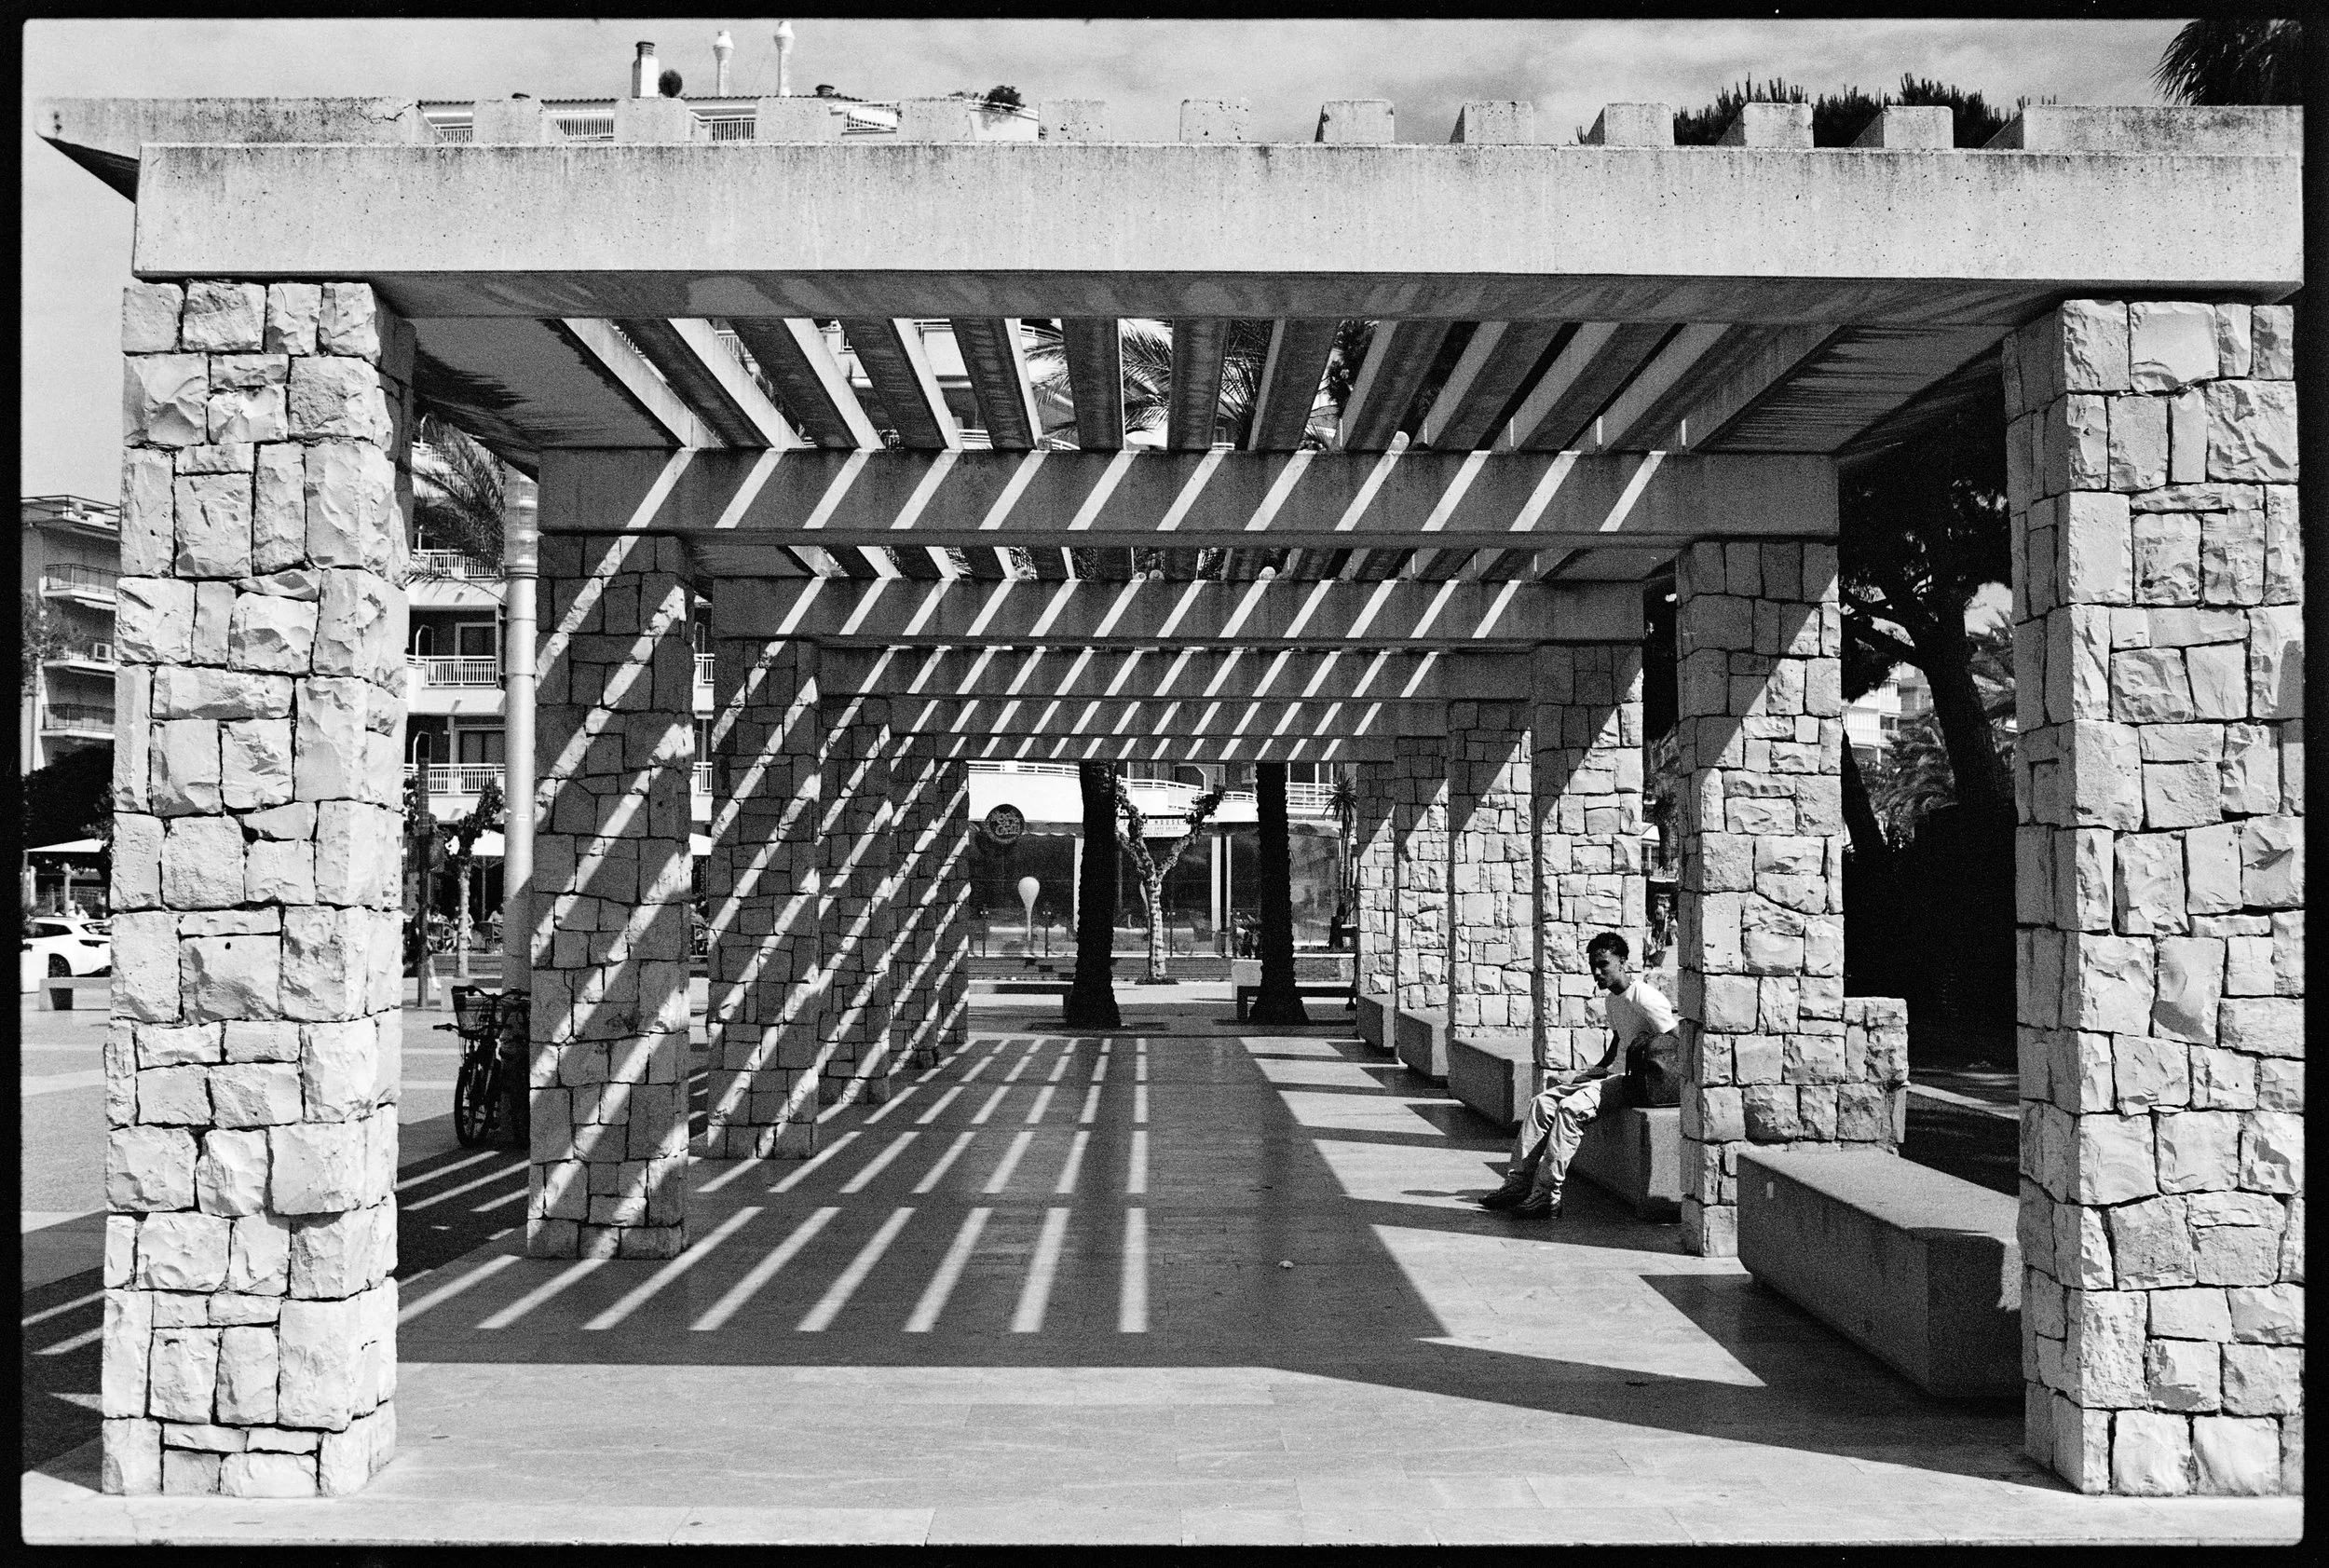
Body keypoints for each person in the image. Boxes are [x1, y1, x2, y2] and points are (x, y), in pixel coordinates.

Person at [1479, 931, 1679, 1220]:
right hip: (1612, 1075)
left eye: (1604, 965)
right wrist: (1595, 1070)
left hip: (1633, 1082)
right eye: (1593, 967)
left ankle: (1547, 1195)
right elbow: (1619, 1039)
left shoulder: (1646, 998)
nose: (1597, 972)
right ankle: (1518, 1184)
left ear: (1622, 962)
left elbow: (1675, 1041)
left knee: (1570, 1109)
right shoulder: (1613, 999)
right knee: (1542, 1103)